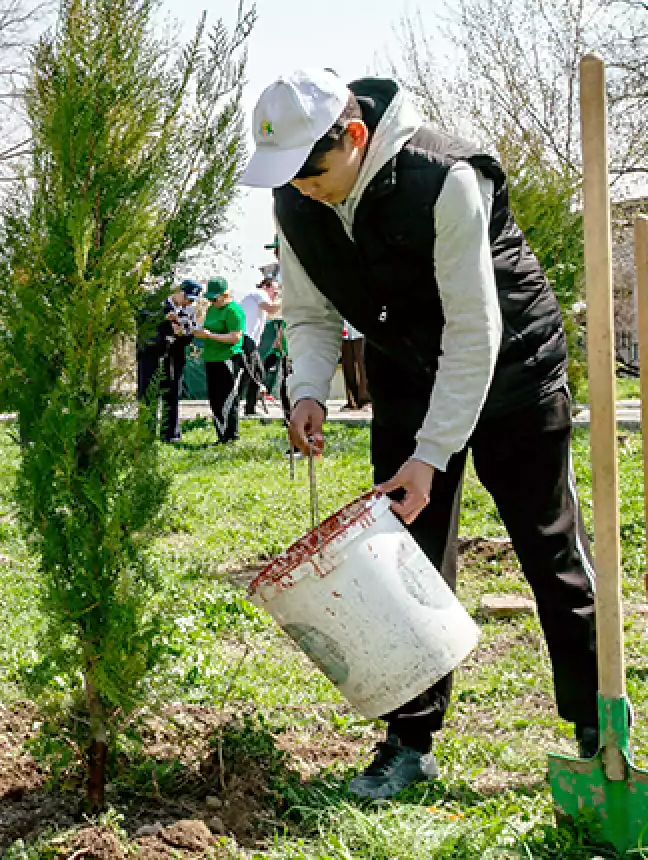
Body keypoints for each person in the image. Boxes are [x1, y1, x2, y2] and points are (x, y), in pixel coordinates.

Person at [241, 68, 599, 800]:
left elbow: (474, 331)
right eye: (289, 177)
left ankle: (598, 725)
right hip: (405, 370)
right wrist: (306, 389)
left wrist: (430, 455)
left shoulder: (446, 179)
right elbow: (309, 314)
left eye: (312, 171)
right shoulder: (296, 201)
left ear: (355, 137)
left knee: (549, 547)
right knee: (404, 559)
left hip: (511, 370)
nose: (303, 188)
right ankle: (409, 741)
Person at [137, 279, 203, 442]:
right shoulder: (155, 303)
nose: (188, 302)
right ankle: (146, 433)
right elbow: (143, 321)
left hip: (174, 358)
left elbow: (191, 331)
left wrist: (182, 332)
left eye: (191, 300)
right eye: (186, 298)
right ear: (178, 291)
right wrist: (164, 318)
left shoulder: (188, 311)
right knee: (148, 394)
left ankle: (170, 434)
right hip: (151, 355)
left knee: (172, 395)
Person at [195, 277, 246, 444]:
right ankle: (221, 435)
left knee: (227, 399)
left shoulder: (234, 311)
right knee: (215, 399)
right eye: (209, 299)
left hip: (228, 358)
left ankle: (231, 435)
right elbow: (207, 328)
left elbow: (235, 337)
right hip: (211, 358)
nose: (211, 302)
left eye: (214, 299)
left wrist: (210, 335)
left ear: (225, 295)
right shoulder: (211, 309)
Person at [238, 276, 283, 416]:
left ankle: (248, 408)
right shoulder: (259, 293)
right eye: (275, 291)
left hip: (249, 341)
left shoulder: (256, 297)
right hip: (246, 339)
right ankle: (237, 405)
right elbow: (271, 309)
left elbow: (272, 313)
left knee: (254, 373)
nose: (276, 295)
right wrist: (288, 300)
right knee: (253, 373)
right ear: (265, 287)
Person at [340, 320, 371, 410]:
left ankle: (365, 400)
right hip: (344, 330)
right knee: (348, 366)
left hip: (360, 331)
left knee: (362, 364)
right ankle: (352, 401)